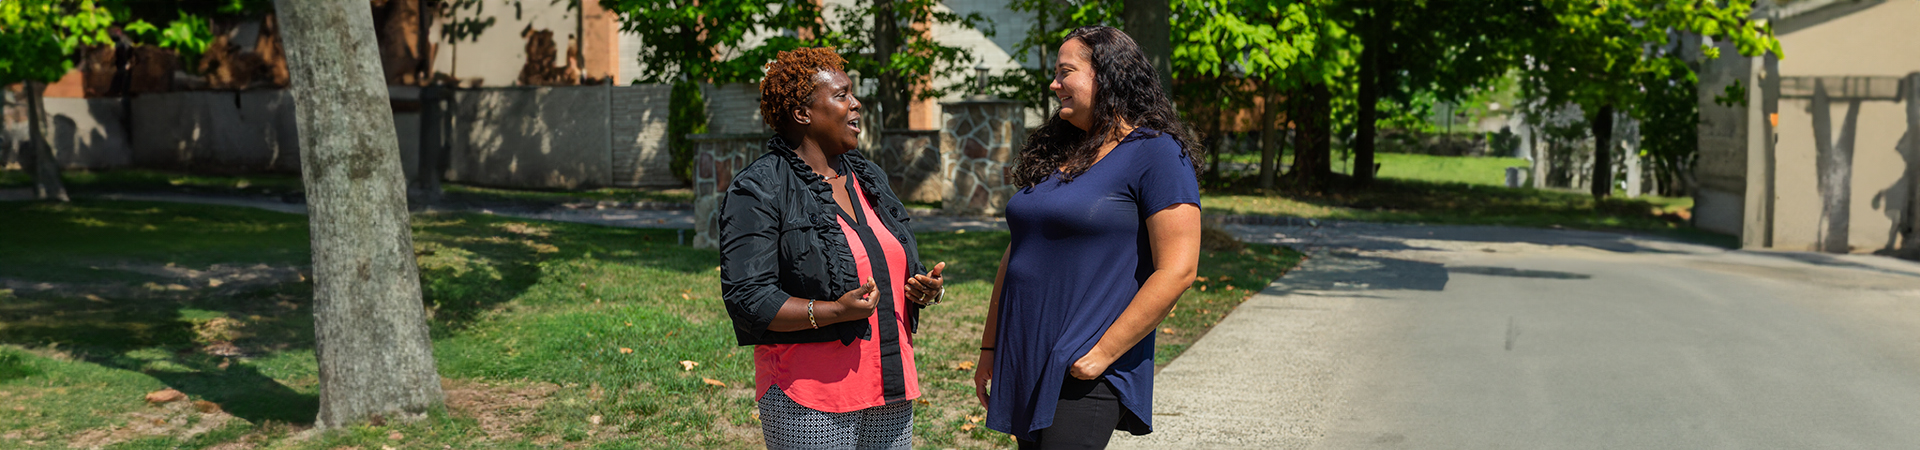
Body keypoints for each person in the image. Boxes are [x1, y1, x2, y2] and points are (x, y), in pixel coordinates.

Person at [973, 26, 1203, 449]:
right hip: (1028, 355)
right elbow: (1019, 249)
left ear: (1108, 77)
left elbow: (1179, 269)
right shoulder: (1063, 151)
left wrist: (1101, 354)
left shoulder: (1157, 153)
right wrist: (991, 347)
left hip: (1084, 367)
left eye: (1066, 72)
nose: (1054, 84)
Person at [719, 47, 947, 449]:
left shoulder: (867, 175)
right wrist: (835, 312)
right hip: (809, 398)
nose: (856, 103)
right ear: (803, 113)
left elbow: (886, 258)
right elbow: (748, 297)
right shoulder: (759, 188)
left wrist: (922, 287)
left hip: (888, 385)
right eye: (841, 95)